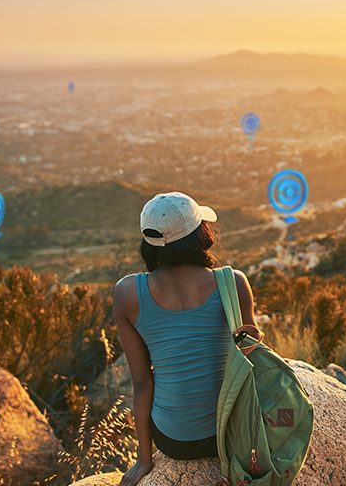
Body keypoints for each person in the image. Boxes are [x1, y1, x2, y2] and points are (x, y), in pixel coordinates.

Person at [112, 192, 257, 486]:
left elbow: (142, 383)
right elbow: (254, 358)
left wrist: (144, 460)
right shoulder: (234, 282)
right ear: (200, 235)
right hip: (230, 434)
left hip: (174, 441)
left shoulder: (127, 293)